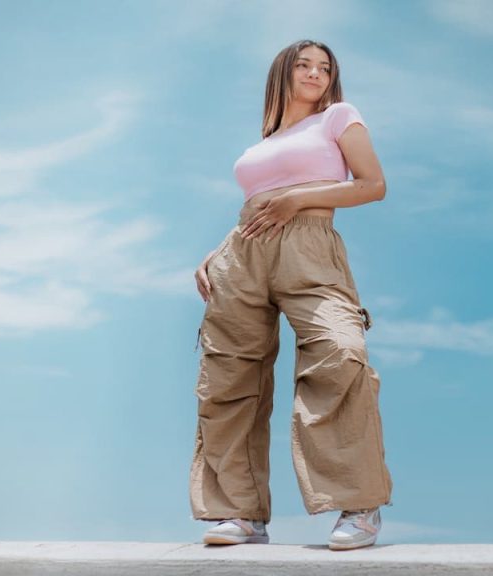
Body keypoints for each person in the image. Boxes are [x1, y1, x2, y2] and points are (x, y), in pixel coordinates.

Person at [189, 39, 393, 551]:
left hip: (310, 246)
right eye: (303, 64)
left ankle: (359, 508)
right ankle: (239, 512)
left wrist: (297, 198)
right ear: (282, 73)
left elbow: (372, 185)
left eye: (324, 67)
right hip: (243, 255)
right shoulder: (260, 144)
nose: (315, 73)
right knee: (228, 379)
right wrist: (217, 251)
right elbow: (254, 207)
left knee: (341, 353)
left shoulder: (339, 118)